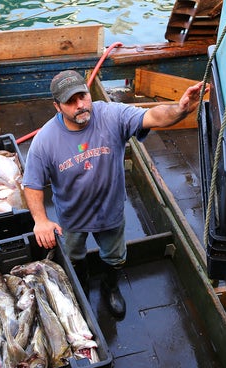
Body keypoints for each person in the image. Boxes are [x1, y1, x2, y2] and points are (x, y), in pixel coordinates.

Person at [22, 70, 207, 319]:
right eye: (70, 101)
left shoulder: (113, 115)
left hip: (110, 211)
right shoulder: (45, 140)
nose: (80, 105)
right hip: (72, 217)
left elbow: (153, 116)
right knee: (74, 255)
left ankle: (111, 286)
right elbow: (31, 183)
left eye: (83, 96)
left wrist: (181, 109)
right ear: (57, 106)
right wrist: (41, 220)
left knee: (115, 256)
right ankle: (82, 284)